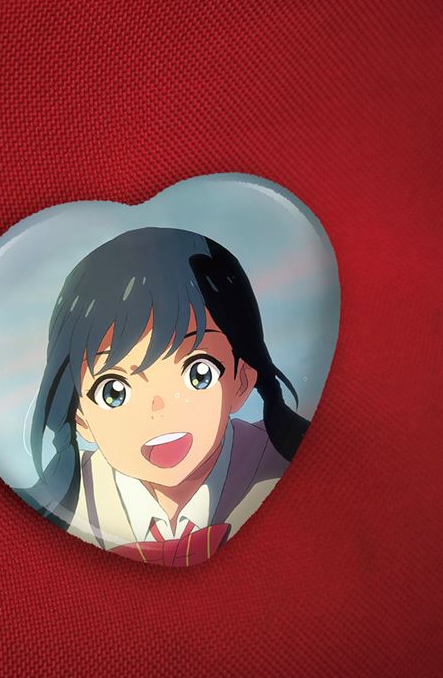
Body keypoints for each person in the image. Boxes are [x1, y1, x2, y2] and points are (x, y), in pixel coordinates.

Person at [23, 226, 307, 566]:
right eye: (114, 391)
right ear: (80, 414)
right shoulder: (61, 505)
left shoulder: (291, 465)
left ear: (242, 380)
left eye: (198, 373)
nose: (158, 409)